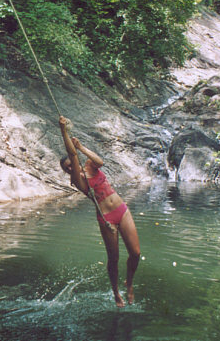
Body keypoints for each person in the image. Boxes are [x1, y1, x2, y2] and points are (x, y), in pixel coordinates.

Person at [59, 115, 140, 307]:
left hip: (121, 209)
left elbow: (100, 161)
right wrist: (63, 131)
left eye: (71, 164)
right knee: (114, 258)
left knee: (135, 253)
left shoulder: (90, 167)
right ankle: (116, 292)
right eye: (68, 168)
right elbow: (72, 156)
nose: (71, 167)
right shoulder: (77, 181)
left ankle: (129, 284)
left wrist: (80, 147)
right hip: (107, 219)